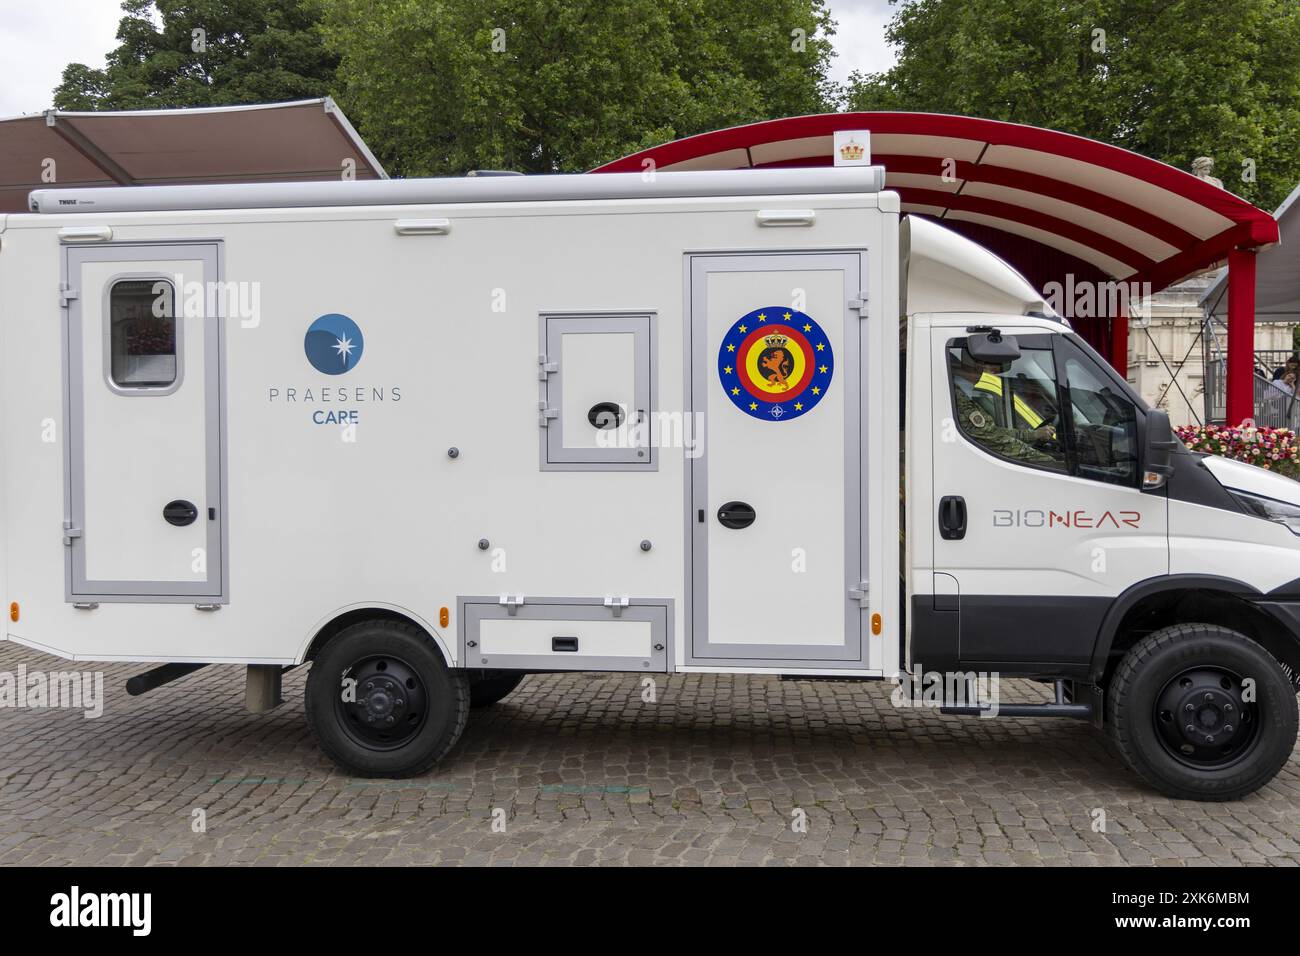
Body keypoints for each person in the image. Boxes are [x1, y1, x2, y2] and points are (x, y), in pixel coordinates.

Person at [949, 349, 1062, 466]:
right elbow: (993, 440)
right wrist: (1048, 462)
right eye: (983, 365)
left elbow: (993, 432)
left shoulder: (960, 395)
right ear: (973, 366)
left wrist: (1034, 434)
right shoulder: (959, 400)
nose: (986, 370)